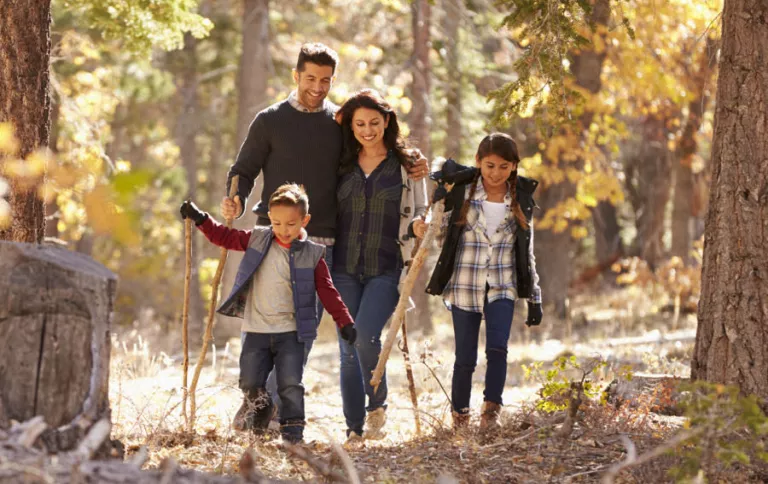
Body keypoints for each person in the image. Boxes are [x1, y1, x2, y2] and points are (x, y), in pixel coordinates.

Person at [224, 42, 429, 423]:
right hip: (272, 236)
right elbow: (244, 168)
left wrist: (413, 159)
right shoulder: (269, 120)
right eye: (311, 78)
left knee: (301, 328)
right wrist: (234, 197)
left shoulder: (339, 122)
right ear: (296, 75)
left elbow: (376, 148)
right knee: (266, 323)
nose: (318, 87)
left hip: (323, 242)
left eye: (326, 80)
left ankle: (272, 410)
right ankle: (255, 399)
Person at [179, 184, 357, 443]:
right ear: (269, 219)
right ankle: (261, 409)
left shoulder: (312, 254)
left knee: (290, 385)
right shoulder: (258, 239)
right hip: (256, 330)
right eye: (276, 223)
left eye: (291, 224)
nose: (284, 230)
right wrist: (200, 218)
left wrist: (344, 321)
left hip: (291, 333)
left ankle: (293, 435)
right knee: (249, 382)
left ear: (304, 220)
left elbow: (327, 290)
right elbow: (225, 237)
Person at [420, 133, 544, 430]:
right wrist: (438, 211)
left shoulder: (520, 200)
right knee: (465, 356)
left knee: (498, 348)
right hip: (465, 284)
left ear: (514, 166)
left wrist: (535, 298)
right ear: (478, 162)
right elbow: (440, 237)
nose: (496, 173)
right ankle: (460, 417)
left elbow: (527, 252)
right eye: (489, 165)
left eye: (504, 166)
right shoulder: (462, 193)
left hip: (502, 284)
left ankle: (491, 412)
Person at [332, 89, 428, 443]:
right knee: (346, 348)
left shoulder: (407, 165)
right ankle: (354, 428)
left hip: (386, 268)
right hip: (342, 267)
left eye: (374, 122)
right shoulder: (340, 162)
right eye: (359, 123)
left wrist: (420, 224)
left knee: (365, 337)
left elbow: (422, 208)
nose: (367, 129)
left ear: (387, 121)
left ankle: (377, 406)